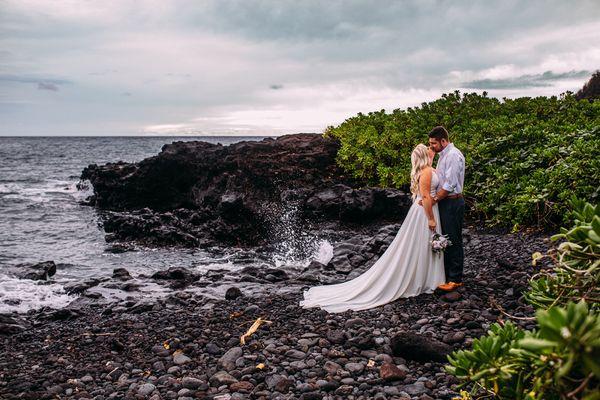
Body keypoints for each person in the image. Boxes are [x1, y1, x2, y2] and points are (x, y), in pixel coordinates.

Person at [299, 144, 445, 313]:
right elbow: (426, 196)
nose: (430, 149)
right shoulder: (426, 172)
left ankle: (425, 277)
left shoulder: (429, 169)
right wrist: (431, 219)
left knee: (422, 246)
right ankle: (422, 279)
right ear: (423, 155)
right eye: (427, 148)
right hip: (424, 213)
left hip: (426, 209)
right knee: (419, 245)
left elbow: (431, 194)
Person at [427, 126, 465, 292]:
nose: (431, 146)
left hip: (452, 201)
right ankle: (448, 274)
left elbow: (449, 184)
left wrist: (434, 200)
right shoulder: (443, 155)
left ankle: (455, 279)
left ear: (443, 140)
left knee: (453, 238)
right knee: (446, 237)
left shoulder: (453, 155)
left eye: (433, 143)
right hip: (445, 201)